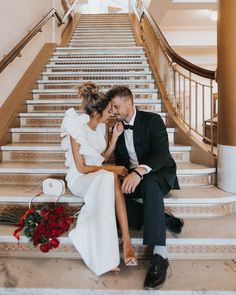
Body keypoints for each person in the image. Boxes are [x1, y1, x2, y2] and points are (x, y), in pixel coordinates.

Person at [105, 86, 184, 289]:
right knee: (111, 201)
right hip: (134, 178)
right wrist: (123, 173)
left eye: (116, 106)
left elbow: (162, 154)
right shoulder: (118, 128)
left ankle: (160, 255)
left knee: (149, 182)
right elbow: (120, 159)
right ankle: (162, 217)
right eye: (111, 108)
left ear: (130, 101)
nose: (113, 111)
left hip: (157, 174)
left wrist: (139, 171)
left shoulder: (152, 120)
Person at [61, 82, 137, 276]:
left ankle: (125, 240)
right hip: (80, 179)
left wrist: (115, 138)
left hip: (98, 175)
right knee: (109, 177)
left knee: (108, 178)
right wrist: (111, 168)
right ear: (96, 113)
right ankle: (117, 241)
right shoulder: (76, 128)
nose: (111, 112)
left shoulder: (102, 127)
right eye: (108, 110)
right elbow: (82, 167)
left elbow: (101, 157)